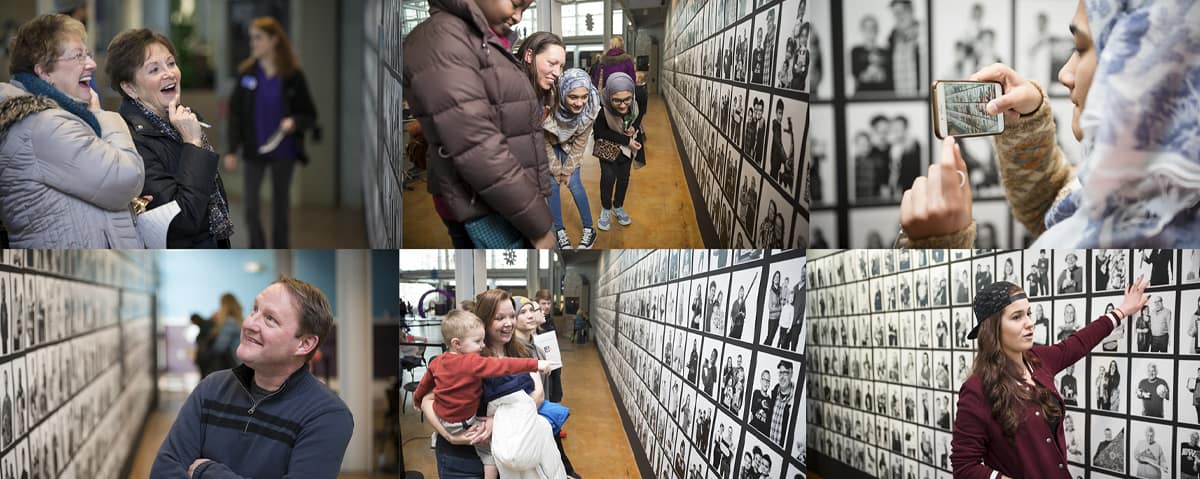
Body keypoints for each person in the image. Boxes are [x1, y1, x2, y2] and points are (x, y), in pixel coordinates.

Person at [899, 1, 1200, 248]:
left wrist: (938, 247)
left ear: (1145, 69)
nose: (1064, 74)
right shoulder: (1143, 187)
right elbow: (1055, 205)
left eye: (1081, 49)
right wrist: (1027, 123)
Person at [150, 276, 353, 478]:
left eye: (270, 319)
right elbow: (163, 471)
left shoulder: (327, 415)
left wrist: (207, 472)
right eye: (254, 310)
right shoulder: (211, 389)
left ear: (304, 344)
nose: (249, 324)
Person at [950, 276, 1150, 479]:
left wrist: (1122, 311)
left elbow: (1078, 343)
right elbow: (964, 466)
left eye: (1028, 313)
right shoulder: (977, 389)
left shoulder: (1039, 360)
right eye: (1017, 317)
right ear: (993, 329)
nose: (1029, 323)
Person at [404, 0, 553, 249]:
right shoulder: (442, 39)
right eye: (516, 4)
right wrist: (538, 225)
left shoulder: (481, 37)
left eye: (524, 10)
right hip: (484, 204)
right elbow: (478, 148)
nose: (518, 17)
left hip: (508, 200)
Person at [0, 13, 145, 248]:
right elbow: (127, 178)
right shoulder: (43, 125)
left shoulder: (50, 118)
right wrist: (105, 117)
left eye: (87, 54)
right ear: (44, 72)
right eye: (78, 56)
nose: (92, 63)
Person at [420, 290, 569, 478]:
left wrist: (496, 418)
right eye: (500, 318)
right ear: (484, 320)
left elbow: (538, 394)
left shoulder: (523, 351)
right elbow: (427, 400)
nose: (509, 323)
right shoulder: (465, 359)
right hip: (463, 456)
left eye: (512, 316)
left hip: (508, 451)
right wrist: (451, 436)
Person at [107, 28, 233, 248]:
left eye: (171, 63)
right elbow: (182, 220)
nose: (169, 73)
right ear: (130, 87)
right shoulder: (129, 139)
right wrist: (192, 143)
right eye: (154, 69)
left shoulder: (184, 117)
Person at [224, 17, 316, 249]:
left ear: (274, 40)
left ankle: (279, 250)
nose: (253, 43)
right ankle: (258, 248)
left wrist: (294, 121)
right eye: (251, 38)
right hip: (254, 150)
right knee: (250, 209)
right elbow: (235, 114)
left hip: (284, 151)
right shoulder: (247, 75)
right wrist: (232, 150)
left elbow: (309, 114)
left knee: (280, 210)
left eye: (258, 38)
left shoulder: (293, 76)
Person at [512, 296, 579, 474]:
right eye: (522, 312)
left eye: (531, 311)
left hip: (541, 414)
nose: (530, 316)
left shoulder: (537, 348)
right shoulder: (514, 351)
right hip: (527, 419)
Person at [538, 65, 599, 250]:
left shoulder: (591, 107)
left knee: (574, 183)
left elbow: (581, 143)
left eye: (584, 96)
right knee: (552, 185)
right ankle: (559, 230)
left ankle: (589, 229)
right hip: (549, 144)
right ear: (563, 93)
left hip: (571, 146)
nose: (579, 103)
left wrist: (568, 170)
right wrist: (556, 170)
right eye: (573, 97)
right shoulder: (547, 106)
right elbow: (543, 141)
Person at [592, 73, 643, 230]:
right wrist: (627, 140)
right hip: (608, 150)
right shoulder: (603, 110)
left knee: (623, 179)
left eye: (627, 99)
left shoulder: (634, 104)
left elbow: (636, 118)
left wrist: (634, 128)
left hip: (626, 152)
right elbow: (600, 133)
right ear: (609, 96)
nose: (622, 105)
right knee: (608, 178)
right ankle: (606, 208)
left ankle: (618, 206)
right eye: (617, 100)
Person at [195, 293, 243, 378]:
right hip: (240, 362)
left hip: (234, 363)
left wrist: (205, 354)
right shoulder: (238, 321)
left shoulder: (229, 322)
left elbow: (220, 347)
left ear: (224, 306)